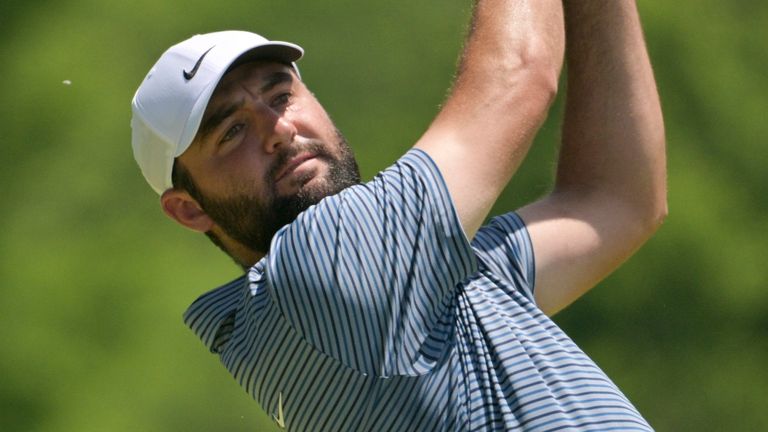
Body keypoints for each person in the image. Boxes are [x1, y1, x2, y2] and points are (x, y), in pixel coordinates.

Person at [131, 0, 665, 430]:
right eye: (232, 132)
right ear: (188, 210)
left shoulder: (386, 294)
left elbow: (615, 201)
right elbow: (519, 76)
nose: (279, 129)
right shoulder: (319, 273)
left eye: (281, 94)